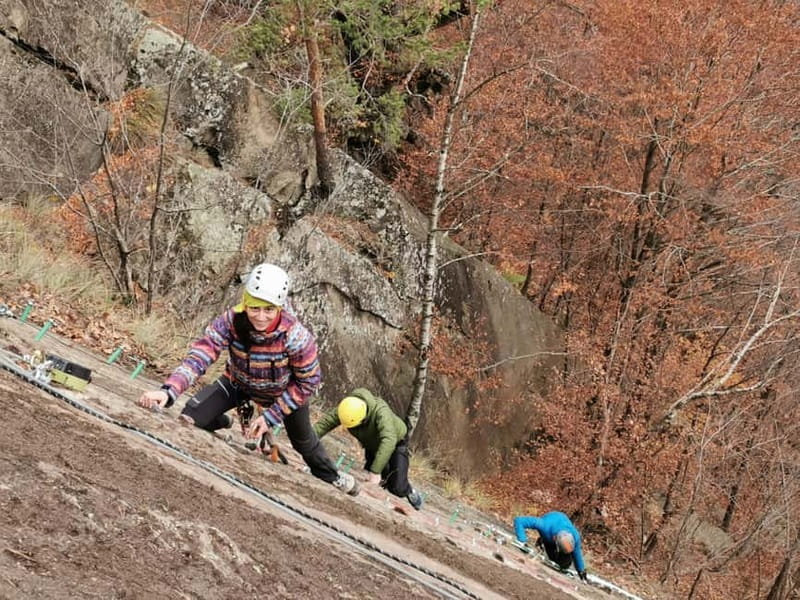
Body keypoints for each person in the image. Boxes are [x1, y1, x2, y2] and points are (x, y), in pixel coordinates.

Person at [136, 262, 359, 496]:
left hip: (284, 394)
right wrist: (169, 390)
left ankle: (333, 476)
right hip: (238, 383)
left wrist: (271, 417)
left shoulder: (296, 336)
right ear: (245, 302)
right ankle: (222, 421)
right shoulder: (231, 321)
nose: (260, 317)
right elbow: (202, 354)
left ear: (279, 308)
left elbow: (309, 381)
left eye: (268, 310)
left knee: (303, 442)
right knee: (190, 415)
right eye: (254, 308)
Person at [313, 388, 423, 510]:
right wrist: (306, 442)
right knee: (381, 480)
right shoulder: (347, 408)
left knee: (397, 487)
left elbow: (389, 440)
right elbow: (324, 424)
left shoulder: (381, 412)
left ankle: (410, 491)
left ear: (363, 418)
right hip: (372, 445)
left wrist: (375, 472)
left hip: (396, 443)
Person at [514, 511, 588, 582]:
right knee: (552, 557)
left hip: (559, 527)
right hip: (549, 532)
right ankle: (543, 539)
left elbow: (577, 553)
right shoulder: (544, 525)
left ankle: (560, 557)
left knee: (565, 563)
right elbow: (519, 521)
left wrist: (581, 571)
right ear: (554, 539)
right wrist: (522, 541)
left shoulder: (575, 536)